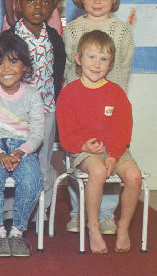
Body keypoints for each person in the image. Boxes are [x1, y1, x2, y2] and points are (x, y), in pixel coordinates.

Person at [62, 0, 134, 235]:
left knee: (109, 160)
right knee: (82, 162)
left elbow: (122, 68)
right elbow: (70, 68)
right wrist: (77, 99)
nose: (97, 1)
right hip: (80, 107)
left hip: (109, 107)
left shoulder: (122, 30)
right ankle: (77, 211)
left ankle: (106, 214)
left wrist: (112, 105)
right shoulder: (72, 29)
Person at [57, 30, 142, 254]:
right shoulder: (68, 93)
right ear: (78, 58)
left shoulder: (116, 93)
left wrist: (113, 155)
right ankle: (93, 227)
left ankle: (123, 226)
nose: (96, 64)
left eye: (103, 59)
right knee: (97, 171)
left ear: (111, 64)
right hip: (84, 150)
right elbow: (66, 134)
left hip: (115, 149)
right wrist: (84, 145)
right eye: (92, 57)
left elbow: (123, 129)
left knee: (134, 176)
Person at [0, 32, 44, 258]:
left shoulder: (32, 94)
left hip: (22, 149)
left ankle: (17, 232)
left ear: (25, 65)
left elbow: (37, 133)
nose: (6, 69)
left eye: (13, 62)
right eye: (0, 62)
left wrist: (20, 152)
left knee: (32, 178)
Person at [0, 0, 64, 213]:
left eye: (45, 2)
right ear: (19, 5)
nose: (38, 6)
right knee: (13, 162)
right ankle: (10, 210)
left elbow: (58, 72)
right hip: (15, 114)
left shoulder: (54, 38)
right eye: (31, 1)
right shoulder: (10, 38)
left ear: (52, 7)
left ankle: (41, 210)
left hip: (46, 111)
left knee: (42, 161)